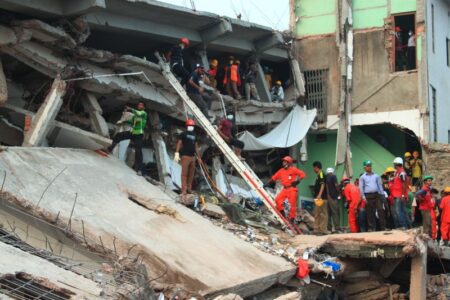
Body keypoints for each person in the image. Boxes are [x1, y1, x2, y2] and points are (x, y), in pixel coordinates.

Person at [108, 101, 147, 175]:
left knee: (138, 151)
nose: (139, 105)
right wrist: (122, 121)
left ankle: (139, 170)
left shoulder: (143, 113)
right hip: (133, 133)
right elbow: (131, 121)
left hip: (139, 134)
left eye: (141, 105)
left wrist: (130, 109)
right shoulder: (135, 116)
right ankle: (110, 149)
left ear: (144, 107)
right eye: (139, 104)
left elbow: (138, 113)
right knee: (119, 135)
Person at [263, 156, 305, 221]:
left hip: (292, 189)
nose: (283, 163)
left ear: (288, 163)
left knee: (292, 205)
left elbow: (302, 174)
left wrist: (297, 181)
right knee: (277, 200)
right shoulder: (281, 171)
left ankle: (292, 219)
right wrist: (267, 183)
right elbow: (274, 177)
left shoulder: (293, 169)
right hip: (285, 189)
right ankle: (282, 213)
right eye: (283, 161)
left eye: (285, 161)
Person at [174, 119, 200, 197]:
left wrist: (199, 157)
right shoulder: (183, 134)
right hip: (185, 156)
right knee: (184, 174)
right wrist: (177, 153)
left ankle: (189, 189)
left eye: (192, 126)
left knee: (191, 174)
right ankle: (184, 190)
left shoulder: (195, 135)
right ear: (187, 126)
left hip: (193, 157)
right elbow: (179, 143)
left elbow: (196, 146)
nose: (191, 127)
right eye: (189, 126)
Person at [359, 160, 386, 231]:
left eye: (370, 165)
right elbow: (361, 188)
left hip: (377, 195)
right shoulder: (362, 177)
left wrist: (382, 195)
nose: (369, 167)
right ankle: (371, 228)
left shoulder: (376, 176)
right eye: (368, 166)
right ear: (364, 167)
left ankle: (383, 227)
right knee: (369, 212)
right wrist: (363, 198)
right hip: (368, 196)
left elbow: (380, 186)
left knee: (380, 210)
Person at [390, 157, 409, 229]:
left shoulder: (402, 172)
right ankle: (404, 226)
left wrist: (403, 195)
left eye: (394, 164)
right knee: (400, 211)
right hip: (397, 195)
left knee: (399, 211)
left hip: (399, 195)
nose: (393, 165)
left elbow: (404, 184)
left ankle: (403, 226)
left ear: (397, 164)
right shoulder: (397, 172)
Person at [313, 161, 328, 235]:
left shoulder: (321, 174)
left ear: (316, 167)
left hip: (321, 198)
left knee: (323, 214)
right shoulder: (318, 175)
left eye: (314, 168)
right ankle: (317, 229)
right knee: (317, 213)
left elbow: (322, 184)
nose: (313, 169)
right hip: (319, 198)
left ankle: (323, 230)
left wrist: (319, 194)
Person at [325, 167, 340, 232]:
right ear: (332, 172)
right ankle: (336, 228)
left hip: (326, 198)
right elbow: (336, 185)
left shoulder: (325, 177)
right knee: (335, 213)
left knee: (328, 214)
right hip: (333, 197)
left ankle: (329, 228)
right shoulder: (333, 176)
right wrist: (339, 193)